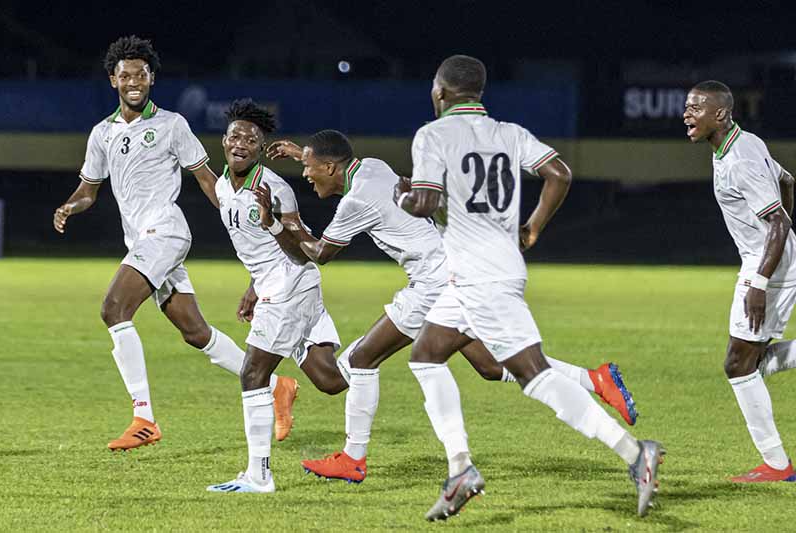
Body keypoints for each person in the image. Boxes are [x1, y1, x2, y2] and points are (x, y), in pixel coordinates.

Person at [263, 130, 638, 484]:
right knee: (491, 366)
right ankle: (595, 379)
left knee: (358, 362)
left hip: (431, 283)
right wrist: (304, 154)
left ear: (330, 167)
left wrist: (281, 223)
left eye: (309, 169)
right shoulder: (373, 165)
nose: (306, 176)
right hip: (456, 270)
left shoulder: (355, 202)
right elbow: (378, 178)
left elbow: (318, 254)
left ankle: (353, 458)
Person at [394, 55, 665, 520]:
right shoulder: (510, 133)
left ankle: (635, 452)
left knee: (534, 376)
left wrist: (402, 194)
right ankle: (460, 468)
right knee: (426, 353)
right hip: (484, 270)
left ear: (439, 92)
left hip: (482, 276)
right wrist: (533, 226)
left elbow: (425, 202)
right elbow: (559, 173)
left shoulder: (432, 134)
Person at [52, 37, 297, 451]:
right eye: (125, 75)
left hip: (165, 231)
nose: (134, 81)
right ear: (113, 80)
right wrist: (68, 207)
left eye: (141, 74)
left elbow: (205, 178)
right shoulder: (102, 133)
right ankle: (277, 386)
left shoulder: (171, 124)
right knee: (195, 332)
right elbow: (88, 189)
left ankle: (143, 418)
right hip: (141, 242)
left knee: (114, 309)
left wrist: (240, 223)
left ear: (151, 79)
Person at [206, 99, 349, 494]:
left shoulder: (274, 188)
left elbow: (300, 247)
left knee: (253, 374)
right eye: (236, 136)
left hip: (289, 288)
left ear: (259, 147)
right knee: (331, 380)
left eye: (251, 139)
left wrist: (270, 221)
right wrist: (253, 287)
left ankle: (259, 475)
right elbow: (256, 252)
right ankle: (369, 361)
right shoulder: (222, 186)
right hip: (279, 287)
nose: (241, 143)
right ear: (224, 141)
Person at [684, 80, 796, 482]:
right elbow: (787, 181)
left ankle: (777, 466)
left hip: (767, 264)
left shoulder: (739, 160)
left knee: (738, 364)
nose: (686, 115)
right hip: (774, 258)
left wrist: (761, 282)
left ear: (721, 113)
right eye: (687, 107)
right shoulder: (742, 143)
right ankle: (777, 465)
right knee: (750, 360)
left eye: (696, 108)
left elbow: (778, 219)